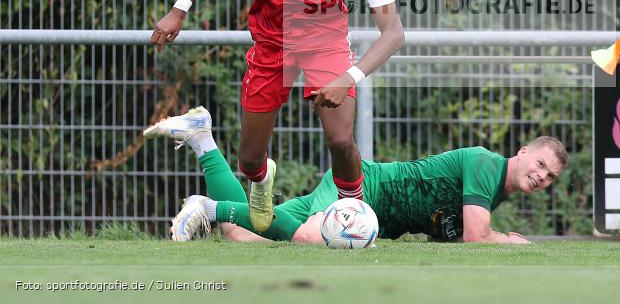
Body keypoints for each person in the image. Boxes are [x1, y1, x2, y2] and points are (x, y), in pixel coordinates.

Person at [149, 0, 405, 233]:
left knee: (341, 139)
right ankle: (260, 180)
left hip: (326, 44)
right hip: (272, 42)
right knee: (250, 158)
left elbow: (393, 33)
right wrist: (178, 10)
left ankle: (357, 217)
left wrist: (347, 77)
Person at [145, 106, 567, 244]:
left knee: (241, 236)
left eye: (550, 178)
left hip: (368, 207)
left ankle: (202, 140)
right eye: (542, 164)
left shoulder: (495, 193)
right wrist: (508, 242)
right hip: (363, 187)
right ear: (523, 152)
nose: (543, 176)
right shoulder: (486, 164)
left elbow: (449, 235)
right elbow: (477, 237)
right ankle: (207, 205)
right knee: (311, 237)